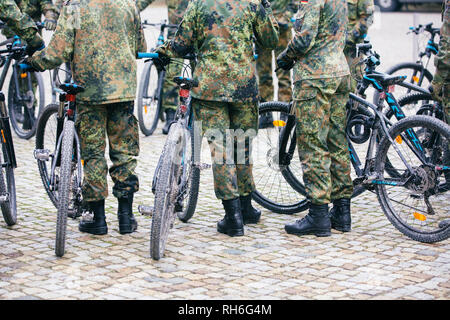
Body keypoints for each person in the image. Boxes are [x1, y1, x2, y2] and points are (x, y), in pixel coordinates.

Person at [156, 0, 279, 237]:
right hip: (243, 88)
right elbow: (271, 40)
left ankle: (233, 215)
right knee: (242, 147)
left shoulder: (199, 5)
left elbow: (180, 45)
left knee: (221, 149)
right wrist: (267, 8)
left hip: (210, 89)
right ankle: (246, 207)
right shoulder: (251, 5)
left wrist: (162, 51)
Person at [26, 0, 147, 235]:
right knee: (124, 153)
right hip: (122, 89)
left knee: (92, 154)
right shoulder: (128, 5)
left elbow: (58, 52)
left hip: (89, 91)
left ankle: (97, 218)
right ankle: (125, 216)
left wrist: (33, 62)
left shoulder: (75, 7)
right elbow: (140, 46)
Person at [276, 0, 353, 237]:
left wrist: (285, 58)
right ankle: (342, 213)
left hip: (315, 77)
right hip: (339, 71)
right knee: (337, 142)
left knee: (313, 144)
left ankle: (318, 214)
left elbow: (303, 39)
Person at [137, 0, 191, 134]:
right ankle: (170, 113)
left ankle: (194, 112)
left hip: (197, 32)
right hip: (175, 33)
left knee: (198, 73)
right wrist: (131, 9)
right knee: (168, 68)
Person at [256, 0, 295, 128]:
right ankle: (265, 112)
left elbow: (295, 3)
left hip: (282, 28)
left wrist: (286, 17)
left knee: (283, 69)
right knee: (263, 72)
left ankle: (285, 110)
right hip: (263, 28)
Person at [344, 0, 374, 91]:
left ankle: (356, 104)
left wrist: (351, 37)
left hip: (352, 48)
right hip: (334, 45)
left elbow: (368, 18)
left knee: (354, 84)